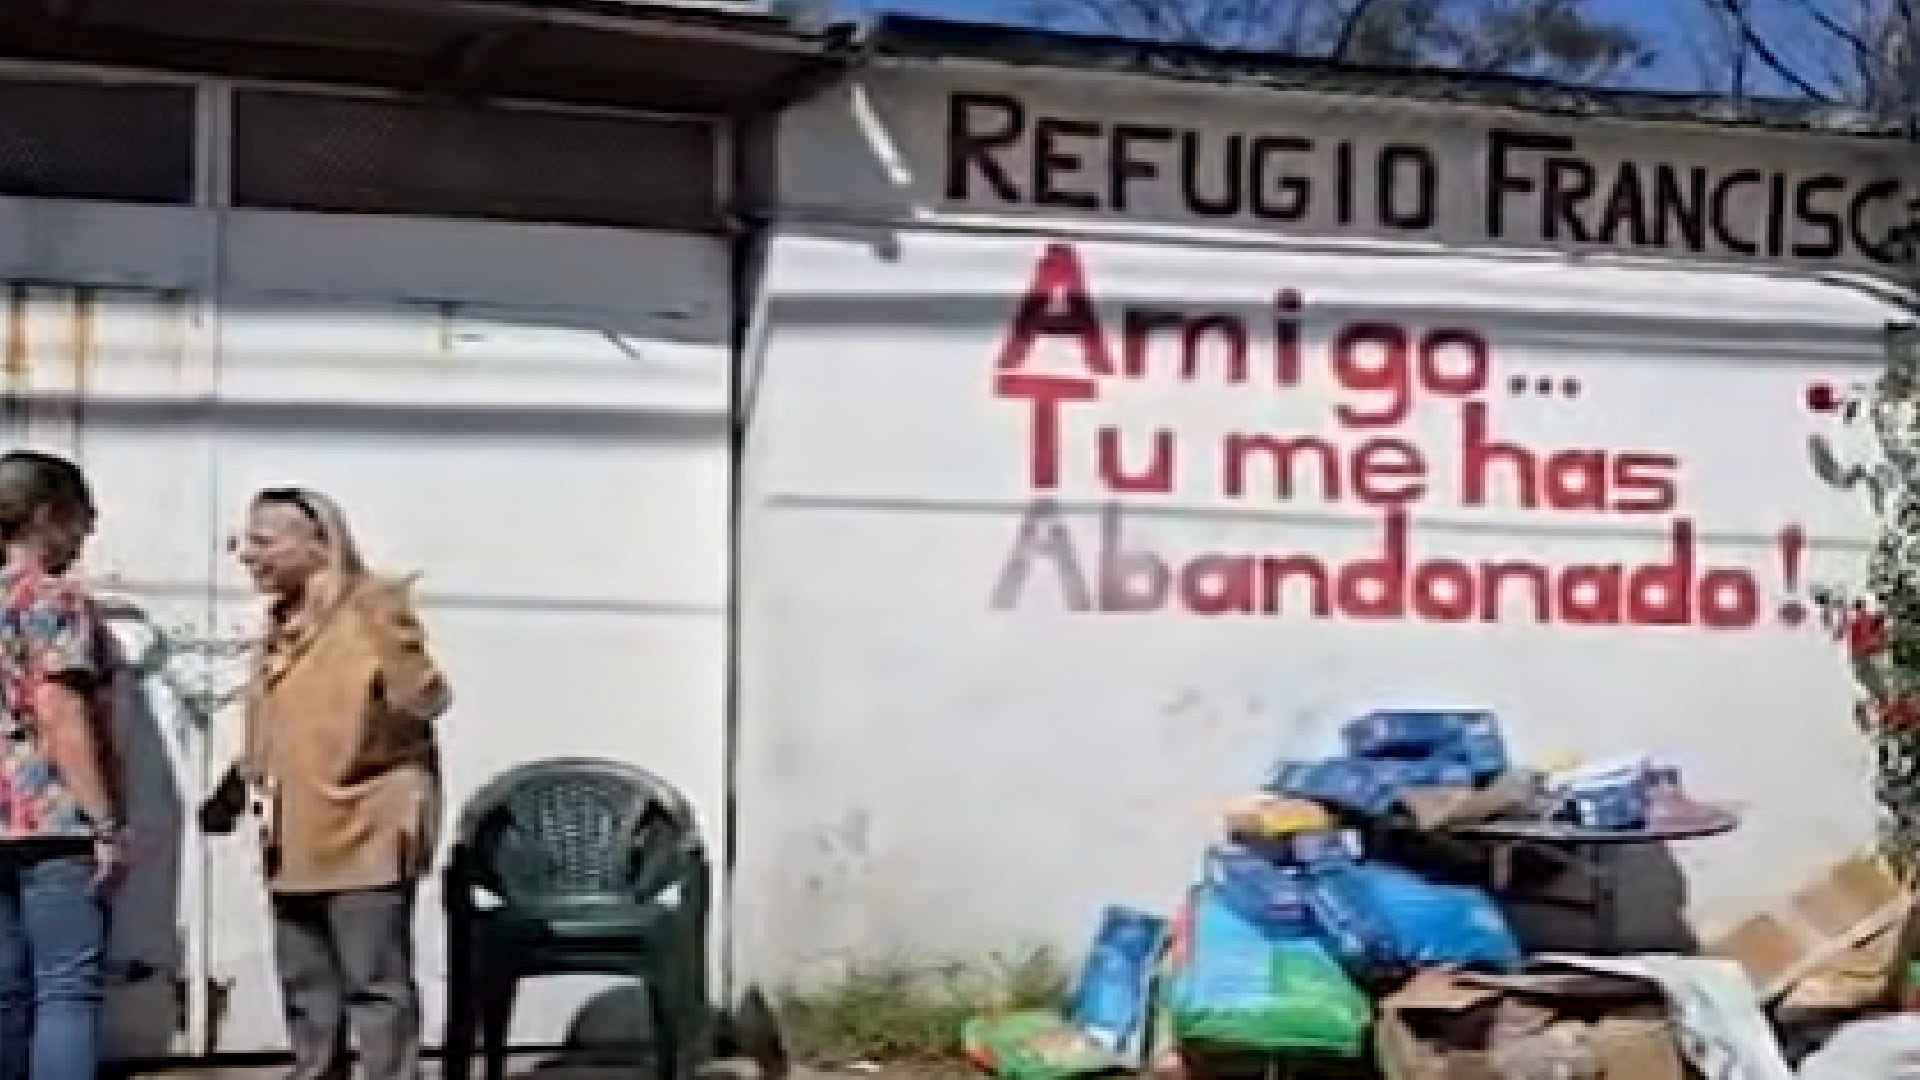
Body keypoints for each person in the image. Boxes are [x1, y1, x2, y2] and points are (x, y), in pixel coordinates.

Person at [201, 488, 450, 1080]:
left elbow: (426, 700)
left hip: (365, 826)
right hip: (292, 831)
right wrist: (235, 786)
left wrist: (391, 635)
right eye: (244, 542)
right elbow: (280, 721)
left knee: (374, 982)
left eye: (263, 542)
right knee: (306, 983)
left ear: (318, 545)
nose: (247, 555)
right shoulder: (281, 623)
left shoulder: (370, 611)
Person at [0, 450, 125, 1080]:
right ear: (47, 516)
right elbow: (60, 711)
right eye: (82, 519)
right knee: (66, 989)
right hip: (51, 820)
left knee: (5, 991)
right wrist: (104, 823)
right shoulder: (51, 599)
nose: (86, 535)